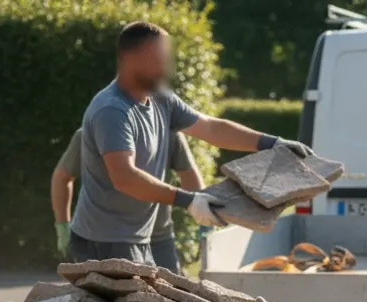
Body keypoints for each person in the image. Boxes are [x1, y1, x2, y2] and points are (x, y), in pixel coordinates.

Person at [68, 20, 311, 264]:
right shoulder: (112, 110)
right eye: (158, 59)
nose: (166, 68)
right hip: (101, 244)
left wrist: (273, 143)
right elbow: (125, 178)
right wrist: (189, 200)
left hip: (137, 238)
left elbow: (210, 128)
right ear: (129, 59)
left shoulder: (160, 98)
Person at [51, 127, 202, 273]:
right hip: (103, 240)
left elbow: (190, 177)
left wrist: (203, 220)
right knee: (103, 296)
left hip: (156, 239)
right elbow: (62, 177)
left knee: (170, 294)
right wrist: (62, 226)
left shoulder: (168, 133)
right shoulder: (90, 134)